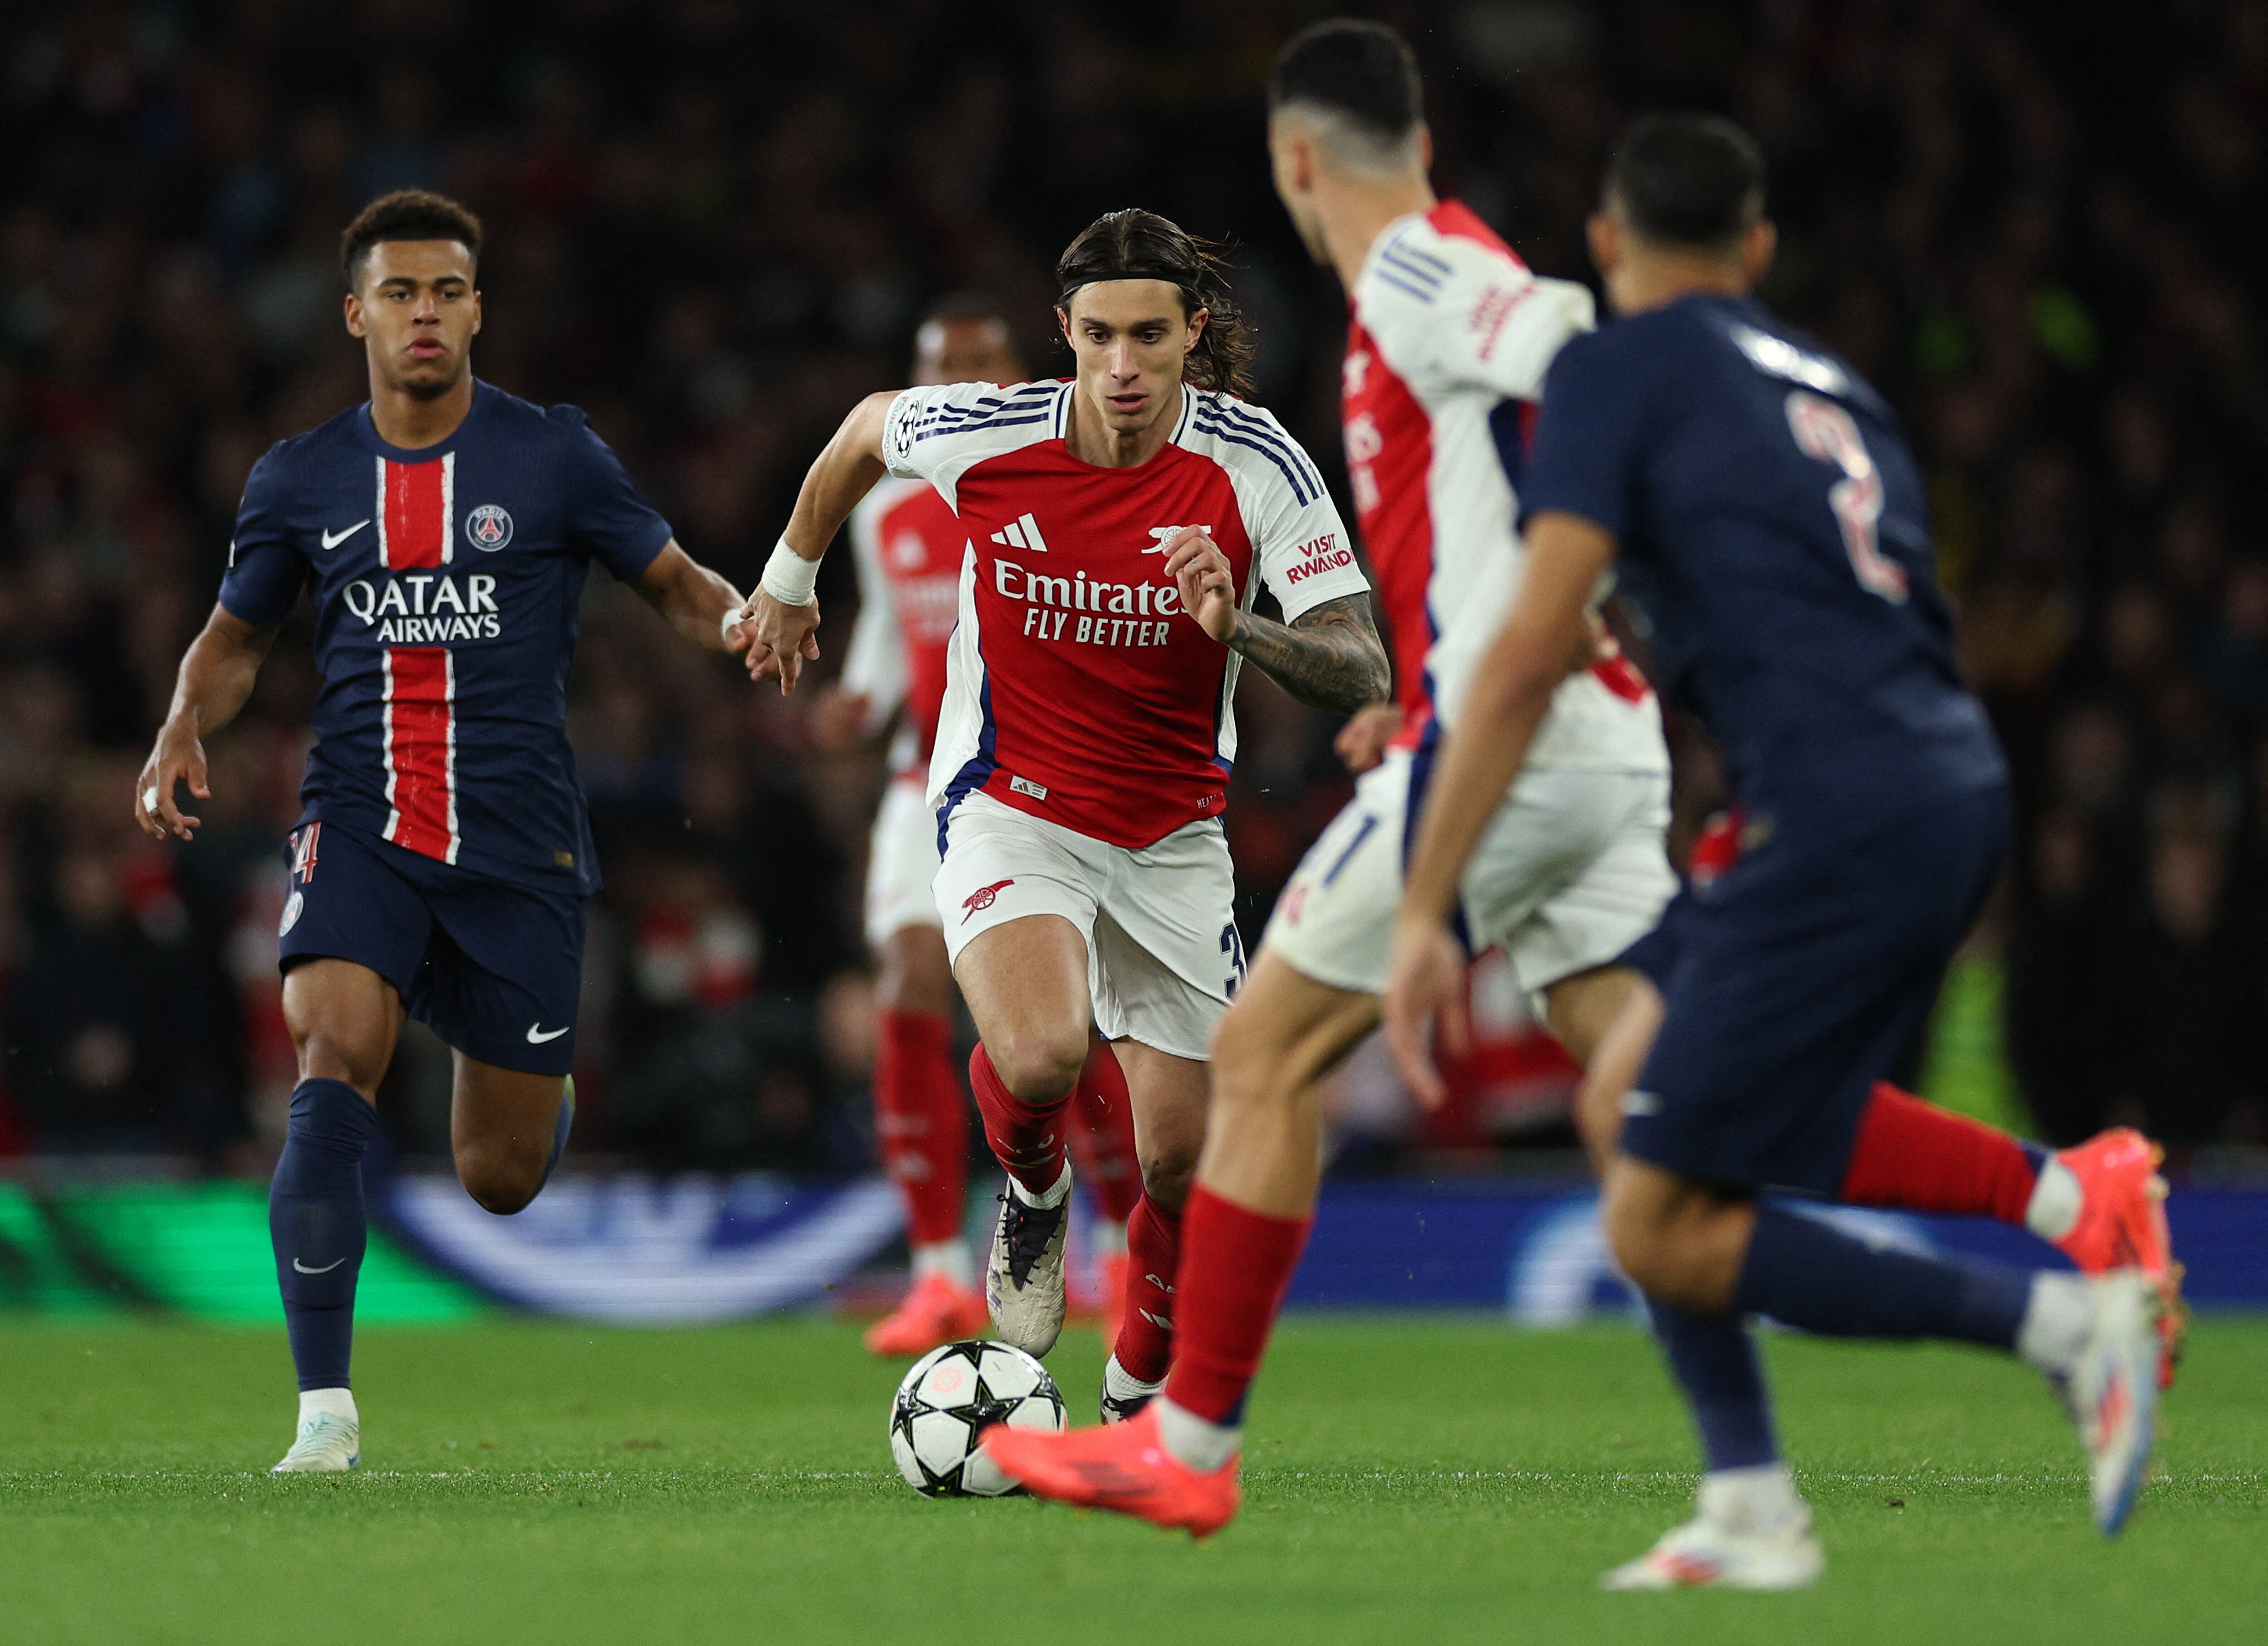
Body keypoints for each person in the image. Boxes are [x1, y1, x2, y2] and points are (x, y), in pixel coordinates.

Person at [1372, 114, 2170, 1586]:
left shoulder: (1614, 366)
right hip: (1938, 785)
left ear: (1606, 249)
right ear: (1756, 251)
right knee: (1639, 1103)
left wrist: (1427, 902)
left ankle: (2065, 1326)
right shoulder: (1834, 387)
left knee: (1660, 1224)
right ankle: (1751, 1500)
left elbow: (1530, 643)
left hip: (1839, 811)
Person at [134, 189, 755, 1473]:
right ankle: (323, 1414)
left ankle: (539, 1079)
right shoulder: (300, 475)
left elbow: (675, 584)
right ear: (357, 311)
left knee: (501, 1174)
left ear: (480, 308)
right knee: (330, 1055)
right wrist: (182, 723)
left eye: (449, 292)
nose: (426, 314)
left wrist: (752, 619)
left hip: (518, 847)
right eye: (402, 293)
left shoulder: (554, 457)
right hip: (360, 816)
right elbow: (236, 638)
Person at [740, 208, 1389, 1416]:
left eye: (1151, 333)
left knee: (1184, 1165)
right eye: (1100, 336)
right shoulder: (991, 428)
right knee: (1040, 1053)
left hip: (1175, 834)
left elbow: (1364, 665)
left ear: (1194, 331)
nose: (1126, 365)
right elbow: (862, 433)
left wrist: (1239, 625)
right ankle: (1031, 1187)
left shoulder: (1258, 462)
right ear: (1065, 336)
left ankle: (1134, 1408)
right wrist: (790, 578)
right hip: (1012, 798)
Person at [810, 296, 1144, 1355]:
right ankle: (940, 1274)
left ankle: (1121, 1253)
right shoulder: (882, 509)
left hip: (1052, 782)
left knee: (1067, 1026)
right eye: (933, 368)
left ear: (1019, 373)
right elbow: (887, 656)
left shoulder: (1053, 474)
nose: (954, 386)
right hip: (927, 784)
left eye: (975, 366)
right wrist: (852, 706)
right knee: (907, 982)